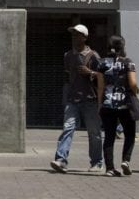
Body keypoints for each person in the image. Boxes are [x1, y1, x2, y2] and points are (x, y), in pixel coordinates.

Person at [50, 24, 104, 174]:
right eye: (73, 34)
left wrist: (90, 72)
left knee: (94, 133)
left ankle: (97, 162)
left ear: (85, 37)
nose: (74, 37)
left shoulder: (93, 56)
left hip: (90, 99)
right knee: (68, 128)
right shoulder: (68, 55)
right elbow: (68, 76)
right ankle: (61, 160)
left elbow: (102, 76)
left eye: (77, 34)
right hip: (72, 99)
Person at [97, 35, 138, 177]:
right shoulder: (128, 63)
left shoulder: (102, 63)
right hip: (125, 104)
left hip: (108, 104)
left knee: (109, 136)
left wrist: (99, 104)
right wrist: (136, 91)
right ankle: (126, 161)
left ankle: (109, 168)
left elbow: (100, 87)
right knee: (130, 134)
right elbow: (132, 83)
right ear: (123, 47)